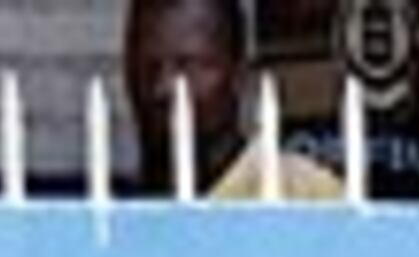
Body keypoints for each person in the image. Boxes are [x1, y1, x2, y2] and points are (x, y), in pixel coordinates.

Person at [122, 0, 343, 199]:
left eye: (188, 66)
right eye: (148, 68)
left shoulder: (300, 193)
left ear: (239, 74)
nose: (161, 88)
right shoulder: (115, 205)